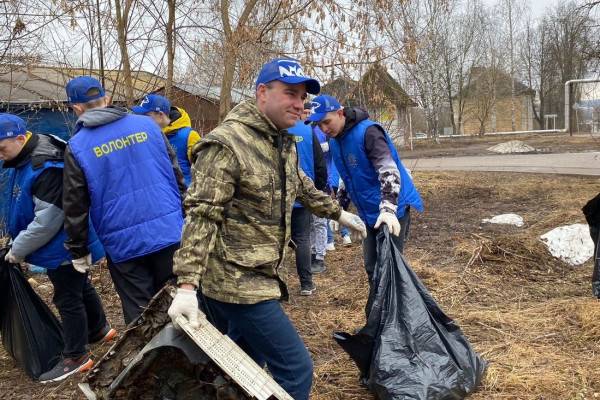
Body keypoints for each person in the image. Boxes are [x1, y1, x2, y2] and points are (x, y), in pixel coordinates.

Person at [166, 58, 367, 400]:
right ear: (262, 93)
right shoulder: (227, 144)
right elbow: (202, 215)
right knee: (296, 369)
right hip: (236, 281)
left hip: (261, 273)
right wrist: (186, 285)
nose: (299, 104)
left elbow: (301, 185)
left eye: (302, 97)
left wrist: (340, 215)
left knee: (242, 361)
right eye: (290, 93)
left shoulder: (278, 140)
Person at [0, 113, 115, 383]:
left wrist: (17, 250)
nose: (0, 156)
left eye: (2, 149)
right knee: (79, 286)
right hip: (68, 242)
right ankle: (98, 329)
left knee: (67, 297)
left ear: (20, 138)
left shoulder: (44, 166)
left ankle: (76, 357)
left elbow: (47, 222)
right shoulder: (31, 153)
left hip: (64, 244)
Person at [62, 76, 185, 325]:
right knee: (179, 303)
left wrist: (78, 248)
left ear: (76, 108)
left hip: (124, 243)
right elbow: (176, 174)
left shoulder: (77, 146)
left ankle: (152, 360)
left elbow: (75, 203)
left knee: (141, 314)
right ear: (106, 99)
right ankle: (193, 359)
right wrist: (186, 213)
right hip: (169, 230)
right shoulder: (148, 126)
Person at [307, 94, 424, 300]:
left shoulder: (369, 132)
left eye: (326, 122)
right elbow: (346, 177)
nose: (324, 129)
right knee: (372, 265)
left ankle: (398, 320)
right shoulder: (335, 141)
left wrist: (388, 209)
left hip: (391, 208)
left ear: (340, 113)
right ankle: (379, 317)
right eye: (319, 124)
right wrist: (339, 209)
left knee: (390, 267)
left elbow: (389, 171)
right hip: (368, 211)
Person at [288, 106, 328, 294]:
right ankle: (306, 284)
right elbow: (320, 164)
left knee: (276, 240)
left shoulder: (277, 129)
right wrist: (317, 189)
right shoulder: (308, 132)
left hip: (281, 196)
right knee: (302, 239)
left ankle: (274, 288)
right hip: (304, 195)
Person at [132, 94, 201, 187]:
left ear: (160, 115)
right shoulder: (146, 136)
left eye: (146, 116)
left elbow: (203, 172)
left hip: (185, 196)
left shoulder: (189, 136)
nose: (142, 119)